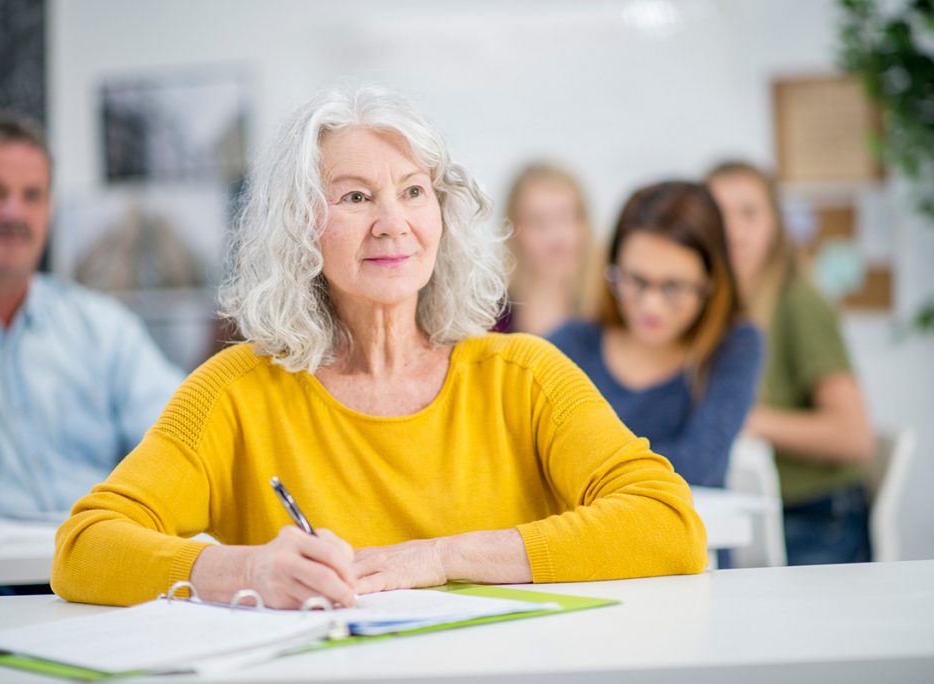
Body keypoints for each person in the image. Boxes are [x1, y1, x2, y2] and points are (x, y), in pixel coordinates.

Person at [52, 86, 707, 609]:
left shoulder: (525, 375)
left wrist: (442, 557)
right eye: (356, 197)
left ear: (442, 216)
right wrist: (241, 568)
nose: (393, 223)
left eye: (413, 192)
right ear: (301, 225)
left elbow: (669, 525)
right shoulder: (232, 392)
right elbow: (83, 550)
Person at [0, 111, 183, 529]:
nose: (13, 212)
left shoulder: (105, 329)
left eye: (32, 195)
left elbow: (185, 440)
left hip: (103, 570)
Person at [707, 161, 874, 565]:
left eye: (748, 212)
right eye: (717, 213)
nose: (732, 228)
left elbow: (854, 436)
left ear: (774, 224)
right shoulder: (713, 308)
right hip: (748, 509)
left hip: (816, 516)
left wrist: (740, 417)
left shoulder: (799, 302)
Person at [549, 181, 763, 489]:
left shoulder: (734, 346)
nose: (651, 305)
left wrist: (582, 468)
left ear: (710, 284)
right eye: (635, 280)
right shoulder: (569, 344)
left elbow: (699, 467)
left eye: (673, 287)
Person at [495, 163, 593, 335]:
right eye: (539, 222)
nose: (556, 238)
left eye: (566, 218)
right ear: (513, 231)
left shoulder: (608, 315)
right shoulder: (490, 319)